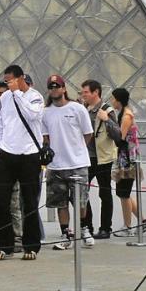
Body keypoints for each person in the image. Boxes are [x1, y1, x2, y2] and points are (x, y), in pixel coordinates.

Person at [0, 64, 45, 261]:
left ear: (21, 78)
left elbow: (33, 115)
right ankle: (4, 244)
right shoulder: (4, 98)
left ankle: (31, 245)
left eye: (11, 80)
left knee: (29, 201)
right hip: (7, 152)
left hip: (29, 154)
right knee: (1, 201)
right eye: (6, 80)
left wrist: (18, 94)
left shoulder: (35, 96)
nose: (8, 84)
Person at [41, 77, 94, 252]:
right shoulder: (45, 112)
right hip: (56, 165)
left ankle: (83, 228)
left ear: (64, 89)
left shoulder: (77, 109)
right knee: (60, 203)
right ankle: (65, 233)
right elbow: (46, 137)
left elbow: (88, 133)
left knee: (81, 202)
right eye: (51, 87)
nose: (54, 89)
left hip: (77, 163)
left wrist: (77, 149)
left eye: (57, 86)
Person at [81, 80, 119, 239]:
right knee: (82, 193)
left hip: (102, 158)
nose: (83, 95)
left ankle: (105, 228)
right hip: (85, 157)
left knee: (105, 192)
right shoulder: (82, 109)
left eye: (86, 92)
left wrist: (106, 120)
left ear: (96, 92)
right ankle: (87, 226)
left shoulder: (107, 110)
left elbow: (117, 134)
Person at [112, 89, 146, 237]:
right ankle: (143, 221)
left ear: (119, 100)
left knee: (123, 193)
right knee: (123, 192)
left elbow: (120, 138)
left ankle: (127, 226)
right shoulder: (125, 113)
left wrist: (108, 123)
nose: (112, 101)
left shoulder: (126, 116)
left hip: (127, 159)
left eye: (113, 99)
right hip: (127, 157)